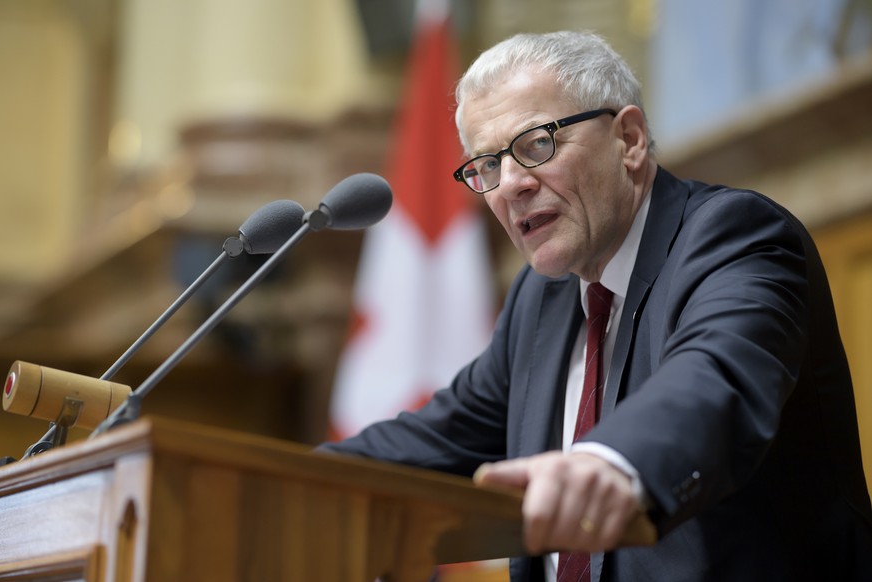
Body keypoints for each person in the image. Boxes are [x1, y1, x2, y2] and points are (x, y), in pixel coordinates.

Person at [320, 30, 872, 581]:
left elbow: (712, 380)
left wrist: (610, 463)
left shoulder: (736, 239)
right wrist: (276, 483)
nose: (509, 185)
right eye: (485, 165)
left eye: (535, 143)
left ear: (629, 139)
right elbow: (440, 435)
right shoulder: (541, 298)